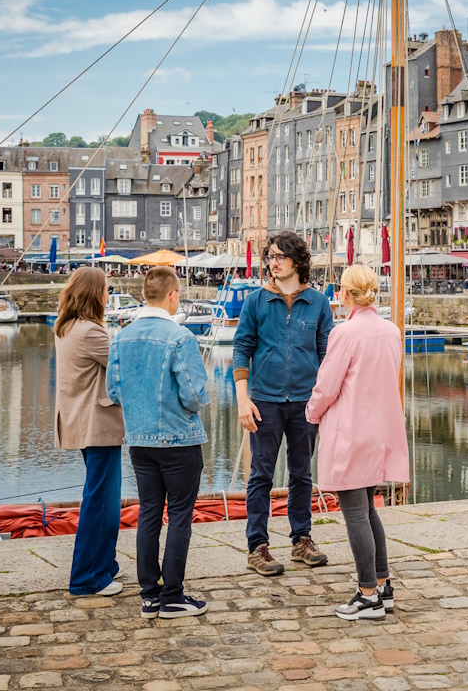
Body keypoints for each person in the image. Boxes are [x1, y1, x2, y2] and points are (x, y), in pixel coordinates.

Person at [107, 266, 210, 619]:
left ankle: (149, 595)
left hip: (139, 438)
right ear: (172, 295)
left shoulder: (121, 337)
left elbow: (112, 391)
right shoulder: (180, 337)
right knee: (180, 516)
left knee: (149, 513)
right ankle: (173, 596)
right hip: (179, 439)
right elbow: (195, 395)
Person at [306, 265, 406, 620]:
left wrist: (312, 412)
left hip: (350, 430)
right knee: (368, 508)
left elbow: (327, 385)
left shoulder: (344, 334)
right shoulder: (391, 331)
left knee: (355, 514)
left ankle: (367, 595)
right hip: (378, 430)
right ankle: (383, 583)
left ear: (345, 295)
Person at [233, 231, 335, 576]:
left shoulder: (318, 303)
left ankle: (301, 540)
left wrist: (325, 400)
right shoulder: (256, 301)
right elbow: (241, 350)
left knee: (302, 474)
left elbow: (327, 356)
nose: (273, 263)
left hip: (306, 401)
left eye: (280, 257)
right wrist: (243, 399)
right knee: (260, 474)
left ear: (297, 261)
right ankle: (257, 546)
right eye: (270, 257)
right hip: (264, 400)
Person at [53, 267, 125, 598]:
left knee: (101, 497)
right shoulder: (90, 333)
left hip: (81, 422)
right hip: (97, 425)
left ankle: (105, 564)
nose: (109, 296)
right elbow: (124, 367)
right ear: (94, 294)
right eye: (106, 290)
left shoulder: (67, 328)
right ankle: (87, 577)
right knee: (101, 501)